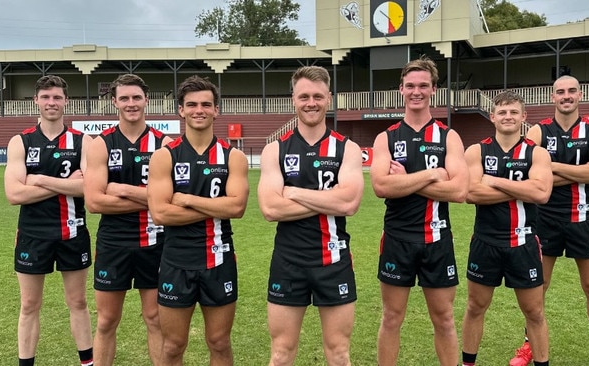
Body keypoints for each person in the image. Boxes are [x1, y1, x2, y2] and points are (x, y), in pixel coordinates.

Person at [258, 66, 364, 366]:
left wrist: (293, 192)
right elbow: (270, 209)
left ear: (329, 98)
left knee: (339, 352)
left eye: (318, 96)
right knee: (281, 352)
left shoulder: (348, 149)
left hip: (334, 261)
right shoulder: (274, 150)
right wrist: (328, 199)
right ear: (293, 99)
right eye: (304, 96)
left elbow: (349, 204)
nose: (311, 102)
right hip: (288, 262)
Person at [508, 76, 589, 366]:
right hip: (544, 219)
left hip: (584, 218)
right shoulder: (539, 131)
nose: (566, 96)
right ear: (552, 97)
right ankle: (529, 345)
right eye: (560, 92)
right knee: (537, 286)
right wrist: (581, 170)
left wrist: (551, 167)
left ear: (579, 95)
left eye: (571, 91)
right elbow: (532, 175)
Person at [370, 56, 469, 366]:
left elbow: (459, 191)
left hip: (437, 240)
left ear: (433, 90)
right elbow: (382, 187)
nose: (416, 91)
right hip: (397, 239)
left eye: (423, 86)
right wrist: (430, 174)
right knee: (391, 318)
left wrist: (406, 181)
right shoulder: (385, 138)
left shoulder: (448, 136)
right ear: (401, 89)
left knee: (443, 319)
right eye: (410, 85)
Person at [147, 75, 249, 365]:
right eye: (191, 104)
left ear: (217, 109)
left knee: (219, 342)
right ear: (180, 110)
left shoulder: (233, 157)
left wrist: (189, 199)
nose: (199, 110)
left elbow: (238, 207)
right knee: (173, 346)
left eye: (206, 104)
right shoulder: (164, 156)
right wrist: (218, 207)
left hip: (219, 260)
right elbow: (161, 213)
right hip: (176, 261)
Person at [4, 75, 94, 366]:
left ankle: (88, 362)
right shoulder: (21, 141)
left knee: (78, 303)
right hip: (32, 234)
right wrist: (66, 182)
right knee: (29, 305)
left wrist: (40, 179)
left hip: (72, 233)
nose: (51, 102)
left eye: (56, 97)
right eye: (45, 97)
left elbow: (88, 188)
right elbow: (14, 194)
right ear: (36, 101)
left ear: (66, 101)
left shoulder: (83, 141)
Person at [84, 74, 172, 365]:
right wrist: (148, 198)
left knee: (155, 319)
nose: (131, 104)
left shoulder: (165, 144)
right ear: (114, 102)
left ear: (147, 99)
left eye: (136, 97)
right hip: (114, 243)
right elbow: (95, 202)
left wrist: (121, 189)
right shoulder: (101, 144)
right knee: (107, 321)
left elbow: (168, 200)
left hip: (156, 241)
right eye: (124, 98)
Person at [461, 91, 553, 366]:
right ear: (492, 117)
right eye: (502, 112)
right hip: (485, 242)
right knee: (475, 307)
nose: (508, 116)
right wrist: (521, 189)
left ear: (524, 117)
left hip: (523, 243)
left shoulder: (537, 152)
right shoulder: (476, 150)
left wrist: (494, 181)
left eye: (514, 112)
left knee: (534, 312)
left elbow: (541, 193)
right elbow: (471, 194)